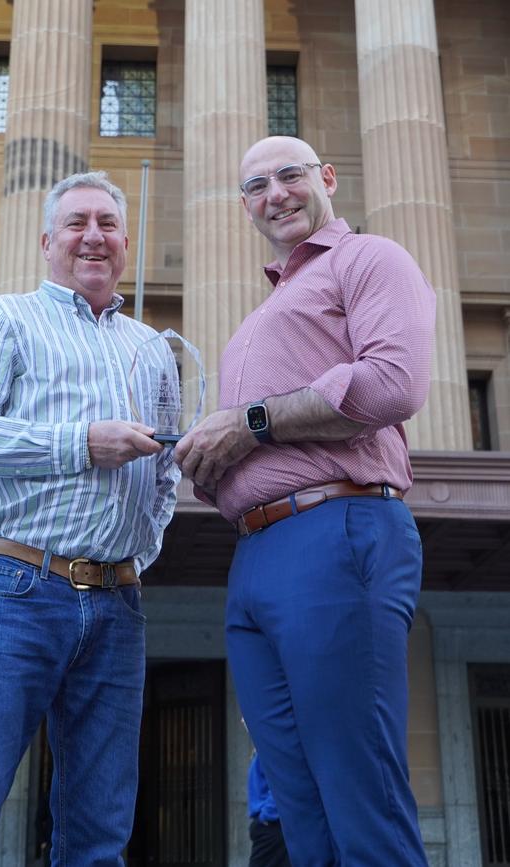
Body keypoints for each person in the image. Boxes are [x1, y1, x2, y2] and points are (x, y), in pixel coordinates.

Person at [174, 136, 436, 866]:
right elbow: (242, 445)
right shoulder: (269, 307)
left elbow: (394, 383)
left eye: (290, 175)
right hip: (256, 554)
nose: (275, 194)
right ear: (245, 205)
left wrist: (250, 423)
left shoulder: (369, 259)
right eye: (255, 185)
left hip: (336, 526)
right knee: (300, 813)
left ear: (327, 177)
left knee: (360, 793)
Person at [0, 171, 180, 867]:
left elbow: (166, 471)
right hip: (14, 585)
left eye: (108, 223)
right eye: (77, 222)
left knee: (99, 837)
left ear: (126, 241)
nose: (94, 235)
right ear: (47, 240)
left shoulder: (153, 350)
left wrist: (136, 556)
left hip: (118, 602)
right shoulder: (4, 320)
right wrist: (81, 442)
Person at [248, 752, 292, 867]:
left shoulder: (269, 750)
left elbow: (280, 785)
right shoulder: (261, 750)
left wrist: (267, 816)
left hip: (271, 825)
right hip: (269, 823)